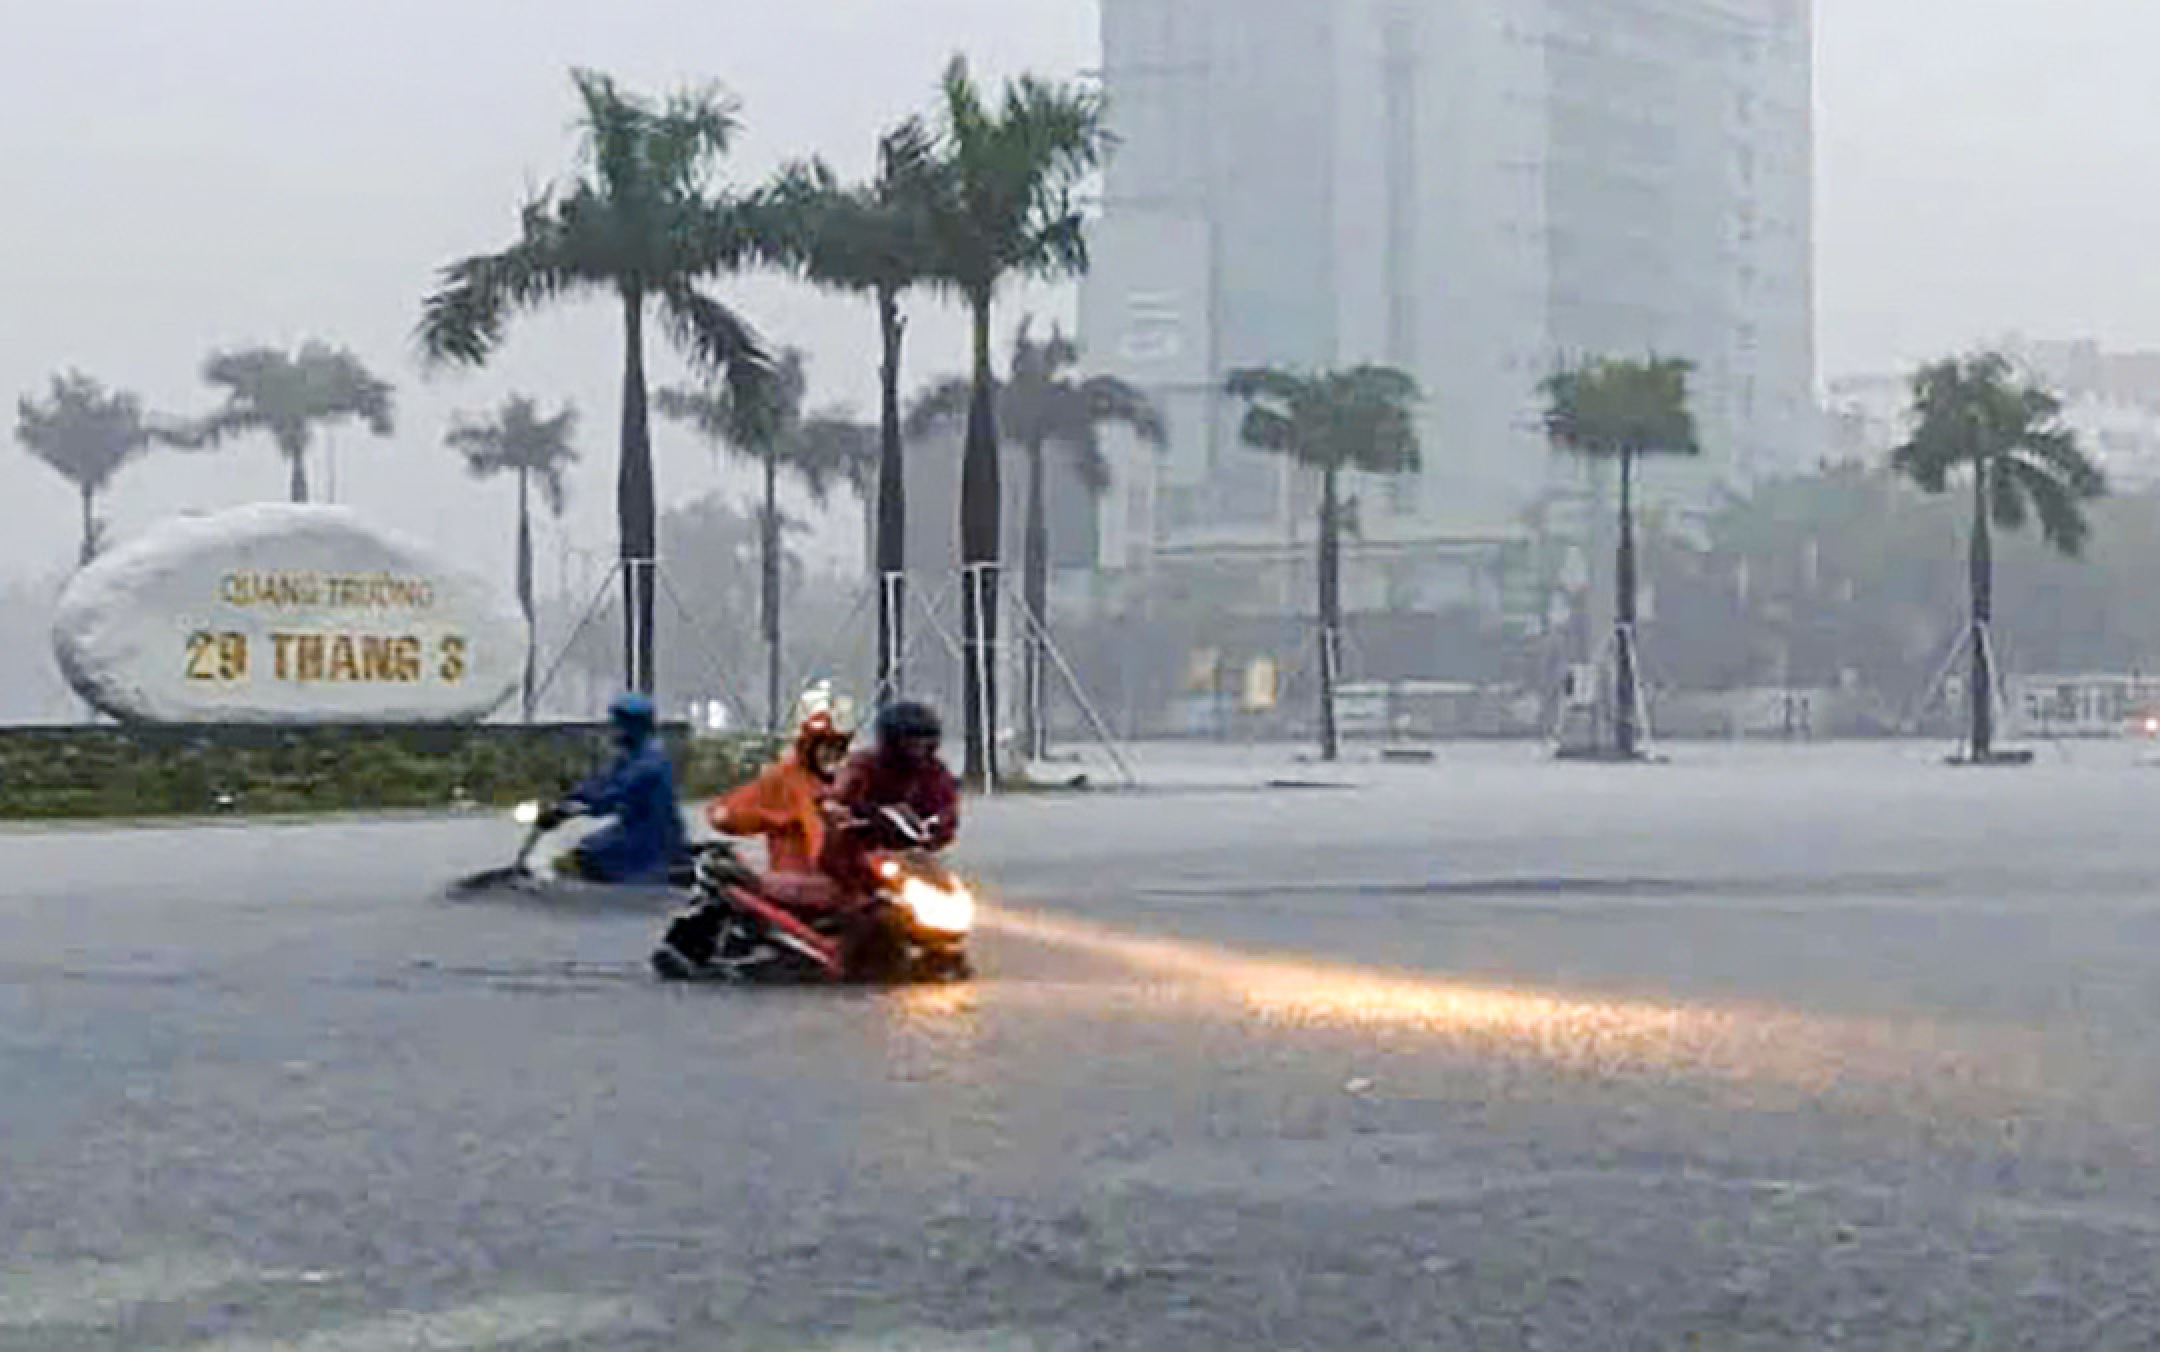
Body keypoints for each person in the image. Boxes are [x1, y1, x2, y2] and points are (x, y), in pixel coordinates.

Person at [818, 699, 961, 897]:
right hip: (860, 850)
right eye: (910, 740)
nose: (919, 746)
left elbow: (947, 809)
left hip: (912, 854)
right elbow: (837, 797)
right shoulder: (864, 765)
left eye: (925, 739)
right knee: (846, 893)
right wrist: (844, 812)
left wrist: (939, 827)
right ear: (891, 740)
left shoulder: (936, 772)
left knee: (946, 892)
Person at [548, 692, 687, 884]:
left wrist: (572, 810)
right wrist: (573, 793)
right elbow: (603, 781)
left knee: (584, 857)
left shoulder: (650, 762)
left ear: (633, 726)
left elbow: (614, 794)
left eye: (618, 724)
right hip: (632, 829)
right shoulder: (631, 755)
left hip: (650, 836)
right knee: (585, 849)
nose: (613, 729)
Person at [706, 708, 853, 876]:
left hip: (838, 878)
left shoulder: (848, 780)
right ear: (811, 749)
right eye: (827, 747)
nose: (833, 755)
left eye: (838, 748)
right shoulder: (785, 777)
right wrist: (725, 815)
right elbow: (740, 807)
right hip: (795, 877)